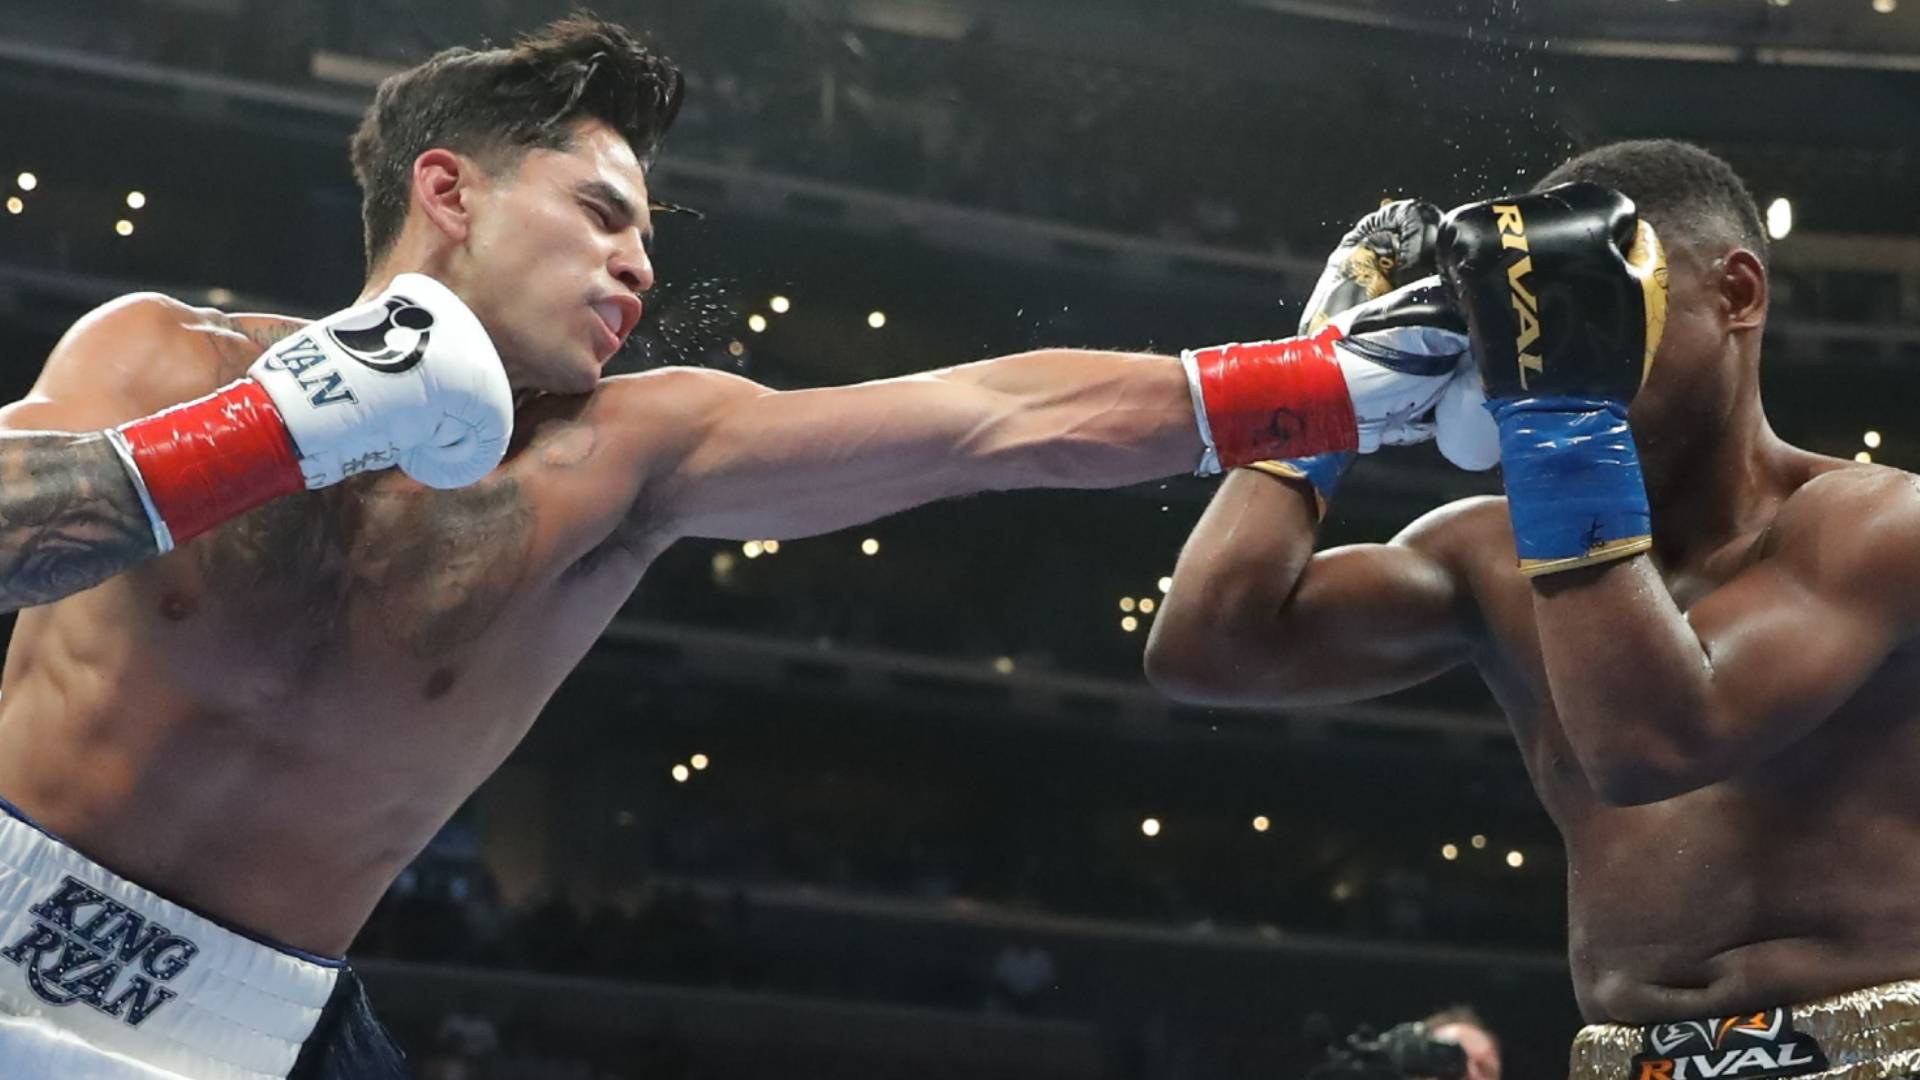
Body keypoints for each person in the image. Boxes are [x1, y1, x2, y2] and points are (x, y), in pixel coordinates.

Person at [0, 15, 1495, 1080]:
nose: (637, 265)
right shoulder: (166, 361)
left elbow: (990, 421)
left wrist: (1324, 385)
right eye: (601, 214)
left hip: (268, 1032)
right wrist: (280, 428)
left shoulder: (627, 459)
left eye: (648, 238)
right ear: (447, 191)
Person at [1147, 139, 1920, 1080]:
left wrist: (1560, 421)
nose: (1551, 333)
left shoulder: (1876, 525)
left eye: (1601, 296)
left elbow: (1651, 743)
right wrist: (1318, 388)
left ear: (1737, 295)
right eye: (1532, 310)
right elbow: (1209, 646)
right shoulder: (1489, 553)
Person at [0, 274, 511, 612]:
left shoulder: (554, 460)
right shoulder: (166, 353)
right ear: (449, 191)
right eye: (590, 211)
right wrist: (268, 424)